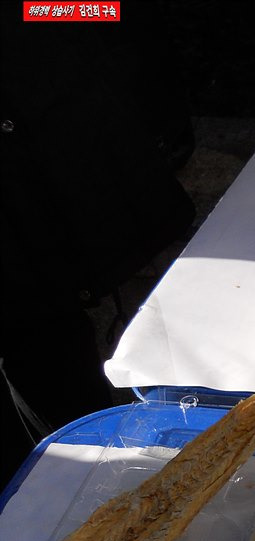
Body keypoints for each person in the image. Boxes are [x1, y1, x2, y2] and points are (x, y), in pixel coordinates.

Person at [0, 5, 194, 483]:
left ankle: (82, 478)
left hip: (60, 139)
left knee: (52, 345)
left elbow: (107, 13)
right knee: (40, 339)